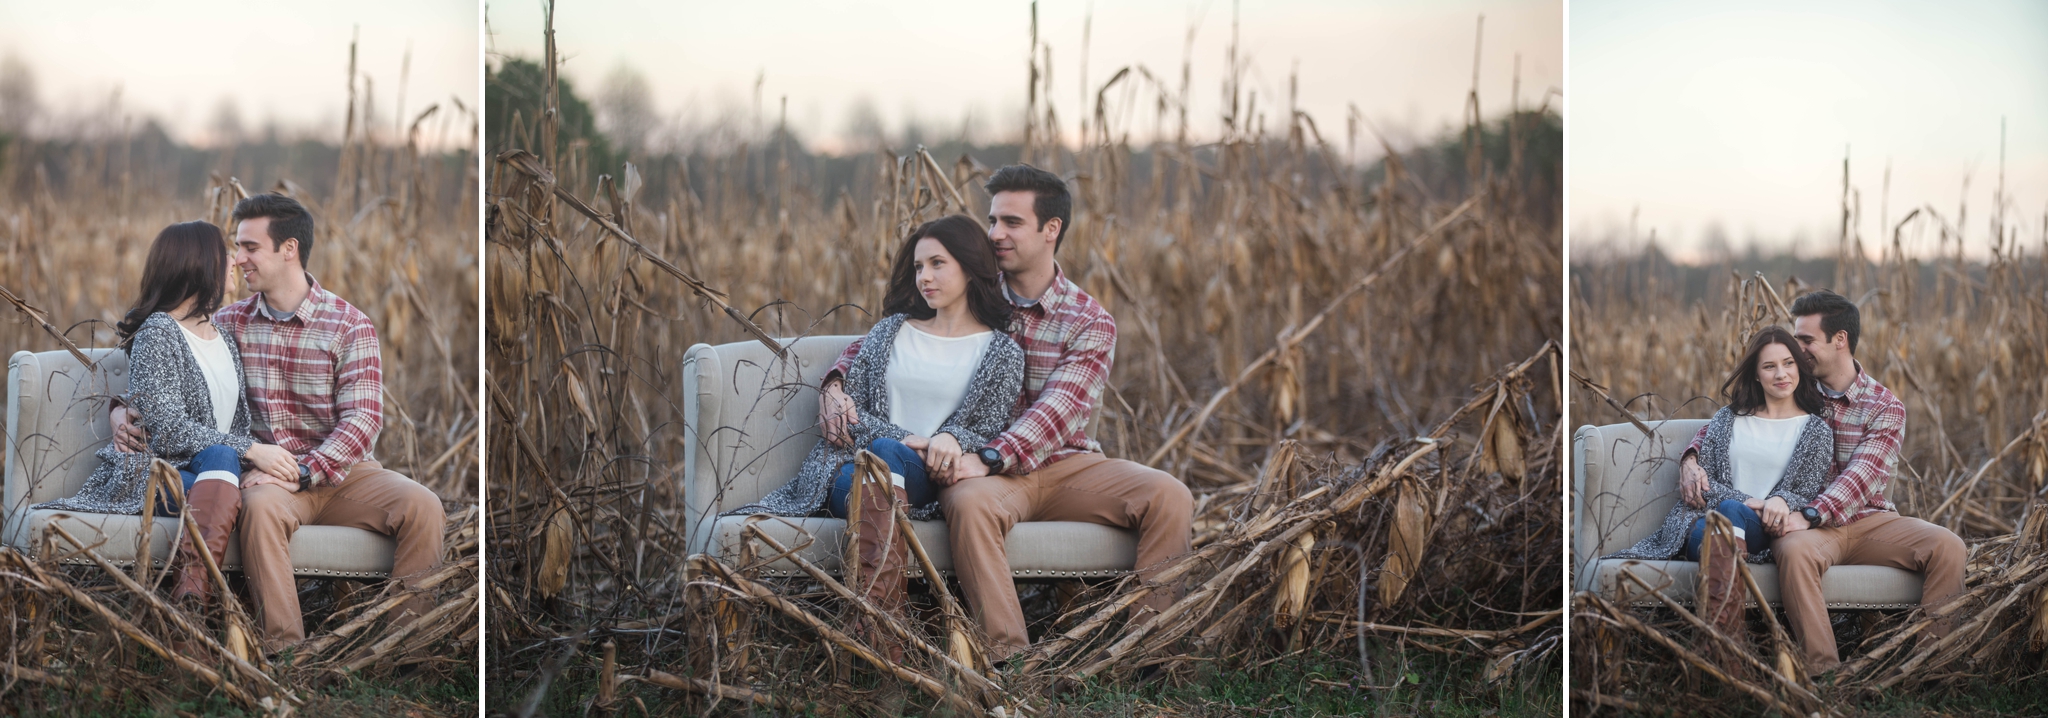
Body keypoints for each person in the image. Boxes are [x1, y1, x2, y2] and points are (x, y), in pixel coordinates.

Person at [819, 164, 1195, 663]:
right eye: (992, 220)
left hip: (1059, 464)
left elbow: (1059, 410)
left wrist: (991, 456)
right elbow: (887, 338)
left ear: (1050, 230)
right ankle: (1008, 660)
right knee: (971, 505)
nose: (995, 234)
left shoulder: (1087, 320)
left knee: (1169, 494)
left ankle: (1152, 654)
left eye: (1011, 223)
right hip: (988, 475)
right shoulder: (967, 285)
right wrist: (834, 382)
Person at [113, 193, 446, 655]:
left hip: (341, 472)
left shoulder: (349, 325)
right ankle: (286, 652)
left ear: (288, 249)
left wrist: (306, 471)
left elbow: (363, 420)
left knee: (424, 506)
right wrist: (120, 408)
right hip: (265, 478)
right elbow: (170, 370)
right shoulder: (229, 324)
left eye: (250, 247)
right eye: (236, 248)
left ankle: (406, 651)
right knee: (263, 510)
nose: (238, 259)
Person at [732, 213, 1025, 657]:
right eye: (918, 267)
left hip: (930, 477)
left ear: (970, 267)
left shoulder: (1002, 351)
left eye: (937, 264)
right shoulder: (891, 332)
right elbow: (853, 415)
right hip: (851, 468)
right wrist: (916, 438)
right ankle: (884, 634)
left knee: (883, 462)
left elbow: (984, 428)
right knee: (873, 471)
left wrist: (944, 442)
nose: (924, 276)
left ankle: (877, 637)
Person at [1675, 289, 1966, 674]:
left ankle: (1932, 669)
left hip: (1864, 519)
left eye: (1806, 340)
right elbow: (1736, 422)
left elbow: (1861, 476)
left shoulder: (1884, 405)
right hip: (1809, 528)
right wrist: (1691, 458)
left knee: (1948, 545)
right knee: (1794, 553)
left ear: (1839, 340)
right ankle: (1822, 673)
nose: (1797, 351)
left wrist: (1809, 513)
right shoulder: (1800, 390)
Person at [38, 221, 299, 608]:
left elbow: (163, 404)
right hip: (155, 475)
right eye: (224, 253)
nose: (234, 262)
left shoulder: (224, 335)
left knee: (227, 469)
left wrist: (122, 407)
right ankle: (194, 605)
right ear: (198, 264)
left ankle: (190, 603)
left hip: (213, 476)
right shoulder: (158, 332)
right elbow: (168, 431)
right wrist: (252, 451)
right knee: (225, 461)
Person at [1602, 326, 1835, 668]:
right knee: (1724, 516)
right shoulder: (1728, 419)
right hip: (1704, 524)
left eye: (1788, 363)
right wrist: (1748, 501)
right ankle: (1728, 651)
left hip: (1764, 530)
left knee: (1728, 514)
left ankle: (1720, 655)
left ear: (1800, 366)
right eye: (1769, 366)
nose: (1781, 374)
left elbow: (1805, 492)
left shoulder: (1816, 430)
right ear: (1756, 374)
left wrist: (1777, 503)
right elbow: (1705, 486)